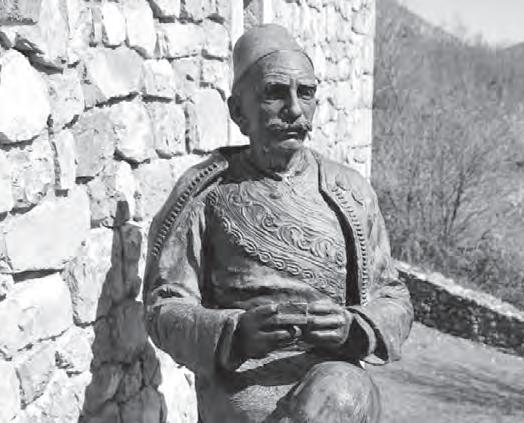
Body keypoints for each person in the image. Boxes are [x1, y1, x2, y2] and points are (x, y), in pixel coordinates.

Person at [143, 23, 414, 423]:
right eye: (274, 93)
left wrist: (353, 328)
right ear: (238, 112)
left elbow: (392, 296)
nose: (295, 110)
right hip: (239, 386)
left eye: (305, 93)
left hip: (333, 378)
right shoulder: (205, 193)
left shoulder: (350, 193)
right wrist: (234, 333)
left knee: (340, 394)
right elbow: (163, 307)